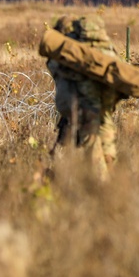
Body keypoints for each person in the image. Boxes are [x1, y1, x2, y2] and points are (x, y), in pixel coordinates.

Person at [46, 15, 121, 179]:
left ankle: (98, 181)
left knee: (88, 141)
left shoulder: (68, 51)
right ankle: (110, 173)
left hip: (83, 103)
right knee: (105, 130)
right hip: (106, 96)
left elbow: (56, 72)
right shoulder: (103, 47)